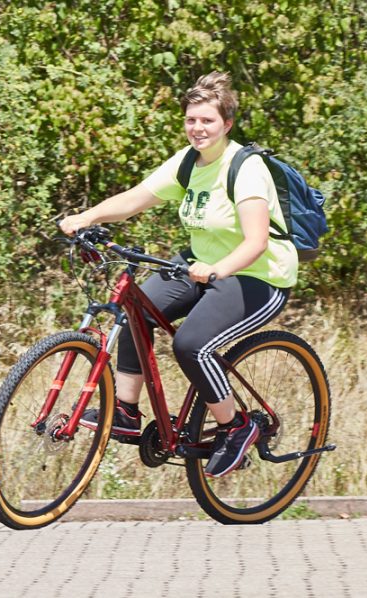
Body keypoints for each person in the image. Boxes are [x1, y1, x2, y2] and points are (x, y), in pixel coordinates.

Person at [58, 71, 298, 478]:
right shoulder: (187, 162)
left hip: (259, 276)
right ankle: (127, 411)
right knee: (136, 310)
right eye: (191, 119)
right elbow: (137, 198)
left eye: (207, 120)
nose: (197, 128)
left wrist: (217, 269)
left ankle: (235, 426)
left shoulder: (246, 168)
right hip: (200, 265)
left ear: (227, 123)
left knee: (191, 344)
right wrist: (87, 216)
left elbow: (256, 241)